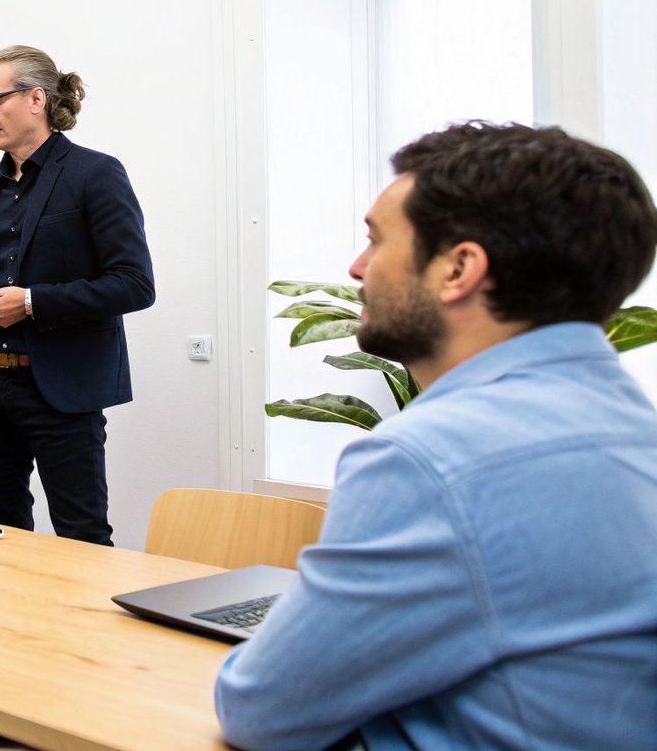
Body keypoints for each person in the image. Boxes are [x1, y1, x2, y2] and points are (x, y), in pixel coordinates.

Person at [216, 122, 657, 750]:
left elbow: (263, 712)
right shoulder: (630, 425)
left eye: (376, 241)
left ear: (458, 269)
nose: (357, 267)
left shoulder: (431, 459)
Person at [0, 44, 155, 546]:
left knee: (81, 538)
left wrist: (31, 301)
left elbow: (134, 283)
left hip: (63, 392)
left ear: (37, 98)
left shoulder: (96, 173)